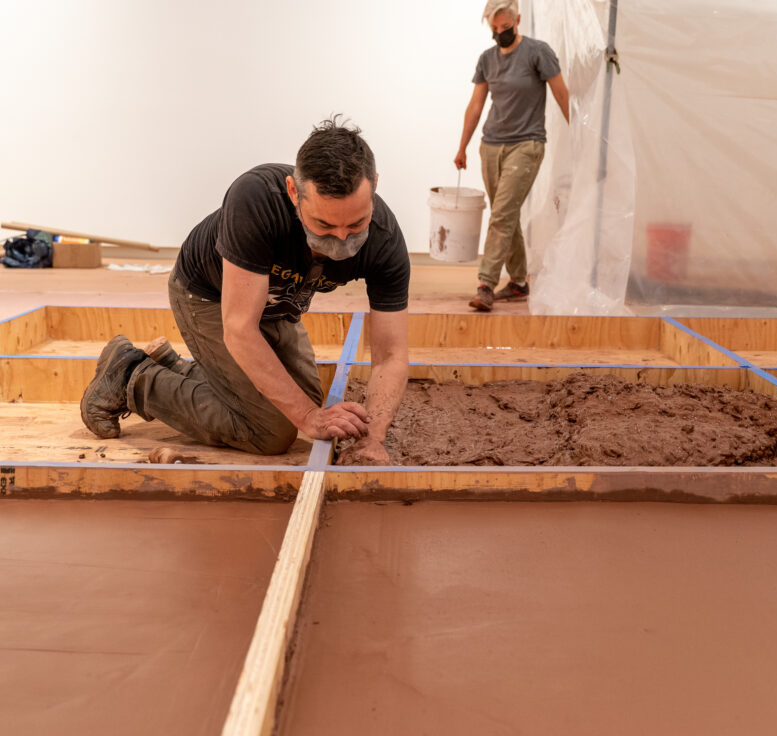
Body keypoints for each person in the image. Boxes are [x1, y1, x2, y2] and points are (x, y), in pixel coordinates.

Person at [80, 118, 410, 464]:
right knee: (272, 429)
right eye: (324, 225)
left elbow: (390, 355)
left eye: (356, 224)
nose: (342, 240)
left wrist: (373, 438)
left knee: (305, 396)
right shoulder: (254, 198)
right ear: (294, 193)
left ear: (373, 187)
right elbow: (239, 329)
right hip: (209, 294)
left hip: (276, 302)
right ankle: (133, 377)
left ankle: (175, 368)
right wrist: (308, 417)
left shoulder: (385, 239)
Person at [454, 0, 570, 312]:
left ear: (517, 20)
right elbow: (476, 105)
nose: (500, 33)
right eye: (495, 29)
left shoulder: (537, 52)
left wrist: (579, 135)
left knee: (502, 213)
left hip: (527, 144)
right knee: (507, 214)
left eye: (506, 27)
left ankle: (486, 283)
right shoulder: (487, 59)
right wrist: (462, 146)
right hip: (491, 146)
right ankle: (519, 283)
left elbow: (561, 93)